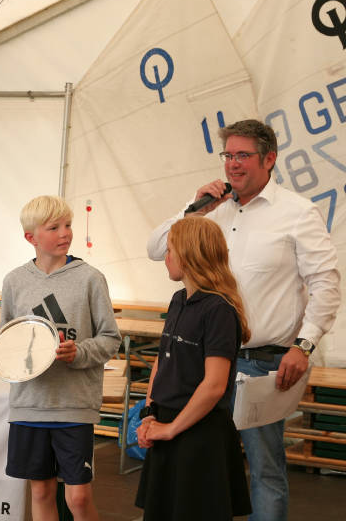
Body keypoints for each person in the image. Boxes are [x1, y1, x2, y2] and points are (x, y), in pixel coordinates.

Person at [147, 119, 341, 521]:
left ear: (269, 159)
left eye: (243, 155)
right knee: (198, 463)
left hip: (261, 362)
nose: (233, 164)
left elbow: (326, 284)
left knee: (265, 470)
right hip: (201, 362)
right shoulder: (209, 210)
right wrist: (194, 208)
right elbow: (155, 249)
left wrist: (304, 346)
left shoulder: (298, 212)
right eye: (228, 155)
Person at [0, 195, 121, 521]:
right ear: (31, 237)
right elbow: (7, 340)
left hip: (74, 405)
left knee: (78, 498)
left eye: (68, 225)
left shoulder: (90, 278)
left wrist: (79, 352)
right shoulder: (14, 281)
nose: (65, 233)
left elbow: (110, 339)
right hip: (29, 405)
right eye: (54, 227)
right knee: (40, 492)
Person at [135, 216, 252, 520]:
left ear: (188, 256)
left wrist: (171, 429)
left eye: (170, 250)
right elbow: (162, 361)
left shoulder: (218, 310)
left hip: (199, 434)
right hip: (167, 425)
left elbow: (214, 386)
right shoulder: (178, 300)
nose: (166, 257)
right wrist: (150, 414)